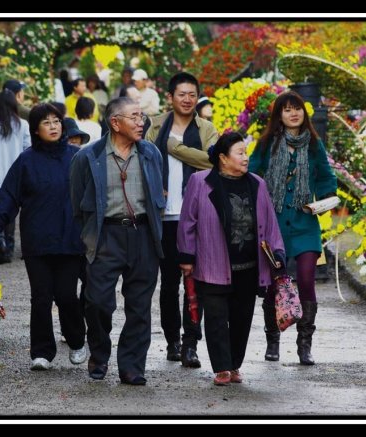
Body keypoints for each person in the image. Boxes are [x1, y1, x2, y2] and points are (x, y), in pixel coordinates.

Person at [69, 97, 165, 385]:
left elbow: (157, 197)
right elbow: (77, 204)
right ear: (115, 122)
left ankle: (132, 366)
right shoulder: (87, 157)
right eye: (134, 117)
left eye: (142, 116)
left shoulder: (150, 153)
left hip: (143, 235)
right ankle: (99, 354)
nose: (141, 122)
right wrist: (89, 238)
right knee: (97, 303)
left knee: (140, 305)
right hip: (105, 235)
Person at [177, 132, 285, 385]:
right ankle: (222, 367)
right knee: (215, 318)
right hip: (212, 262)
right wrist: (186, 255)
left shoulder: (257, 183)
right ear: (223, 158)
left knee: (241, 318)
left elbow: (270, 223)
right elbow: (187, 222)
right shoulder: (200, 181)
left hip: (248, 265)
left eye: (245, 152)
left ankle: (235, 364)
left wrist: (277, 254)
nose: (245, 158)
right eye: (240, 153)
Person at [0, 103, 87, 370]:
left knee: (66, 296)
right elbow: (8, 196)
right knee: (41, 297)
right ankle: (41, 352)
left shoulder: (77, 157)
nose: (53, 126)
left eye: (56, 121)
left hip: (69, 240)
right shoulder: (26, 161)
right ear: (36, 130)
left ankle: (77, 341)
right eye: (46, 122)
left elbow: (92, 196)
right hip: (38, 241)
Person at [248, 90, 337, 366]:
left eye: (296, 108)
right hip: (273, 225)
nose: (293, 113)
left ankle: (304, 344)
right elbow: (252, 173)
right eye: (286, 109)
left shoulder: (313, 144)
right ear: (279, 115)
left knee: (307, 279)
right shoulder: (268, 143)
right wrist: (258, 200)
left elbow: (326, 177)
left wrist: (325, 198)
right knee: (276, 283)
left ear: (303, 112)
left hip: (305, 223)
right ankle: (272, 339)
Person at [145, 72, 219, 368]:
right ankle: (173, 340)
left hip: (196, 217)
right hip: (164, 217)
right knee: (168, 284)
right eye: (181, 94)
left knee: (195, 283)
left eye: (192, 94)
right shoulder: (155, 126)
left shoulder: (206, 128)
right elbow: (144, 159)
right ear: (171, 97)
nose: (187, 99)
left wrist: (175, 148)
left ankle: (191, 343)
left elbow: (213, 161)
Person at [0, 89, 31, 264]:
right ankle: (8, 246)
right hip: (16, 176)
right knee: (11, 212)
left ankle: (0, 240)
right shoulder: (23, 125)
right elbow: (28, 148)